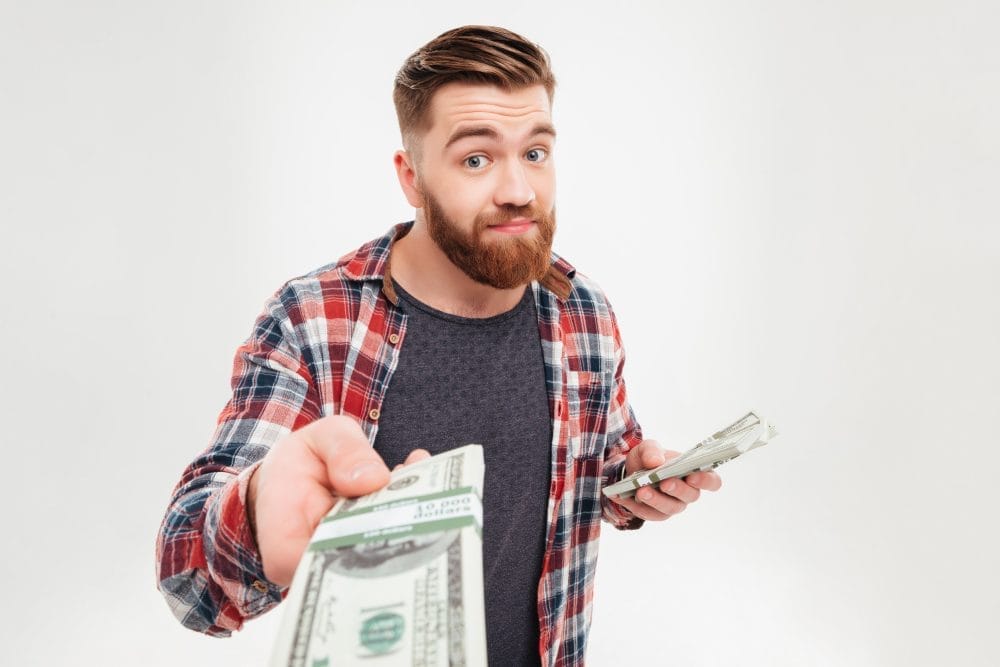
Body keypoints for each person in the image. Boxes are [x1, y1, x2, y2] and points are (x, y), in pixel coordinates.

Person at [155, 25, 722, 666]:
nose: (518, 190)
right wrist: (256, 507)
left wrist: (635, 482)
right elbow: (188, 585)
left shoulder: (581, 312)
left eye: (535, 152)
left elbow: (591, 469)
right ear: (412, 177)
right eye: (476, 159)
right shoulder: (314, 319)